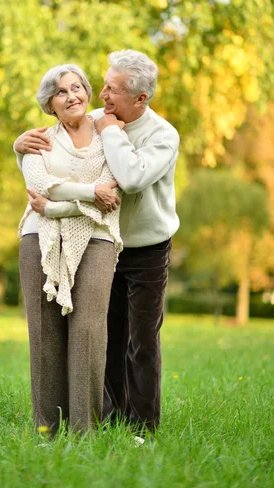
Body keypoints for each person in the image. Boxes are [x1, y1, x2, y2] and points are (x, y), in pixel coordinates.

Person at [14, 50, 180, 433]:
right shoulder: (94, 119)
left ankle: (141, 427)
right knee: (104, 335)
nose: (100, 94)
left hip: (145, 246)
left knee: (141, 339)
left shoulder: (161, 135)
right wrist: (17, 146)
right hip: (96, 240)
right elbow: (53, 159)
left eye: (112, 89)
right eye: (102, 85)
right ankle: (107, 418)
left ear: (140, 98)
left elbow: (129, 178)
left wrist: (108, 131)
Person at [15, 63, 123, 435]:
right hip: (39, 237)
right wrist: (89, 193)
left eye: (77, 87)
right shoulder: (39, 140)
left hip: (96, 237)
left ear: (87, 92)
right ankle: (47, 428)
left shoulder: (109, 133)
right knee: (44, 331)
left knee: (89, 331)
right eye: (61, 92)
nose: (71, 95)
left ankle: (84, 430)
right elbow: (40, 184)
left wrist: (61, 205)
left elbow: (114, 187)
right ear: (50, 104)